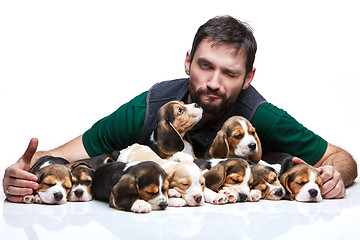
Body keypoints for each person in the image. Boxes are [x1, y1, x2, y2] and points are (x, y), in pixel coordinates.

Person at [3, 15, 357, 203]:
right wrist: (23, 175)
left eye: (230, 72)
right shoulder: (152, 108)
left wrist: (335, 176)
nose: (214, 82)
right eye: (205, 66)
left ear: (248, 78)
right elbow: (62, 155)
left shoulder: (259, 115)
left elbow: (341, 157)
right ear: (188, 61)